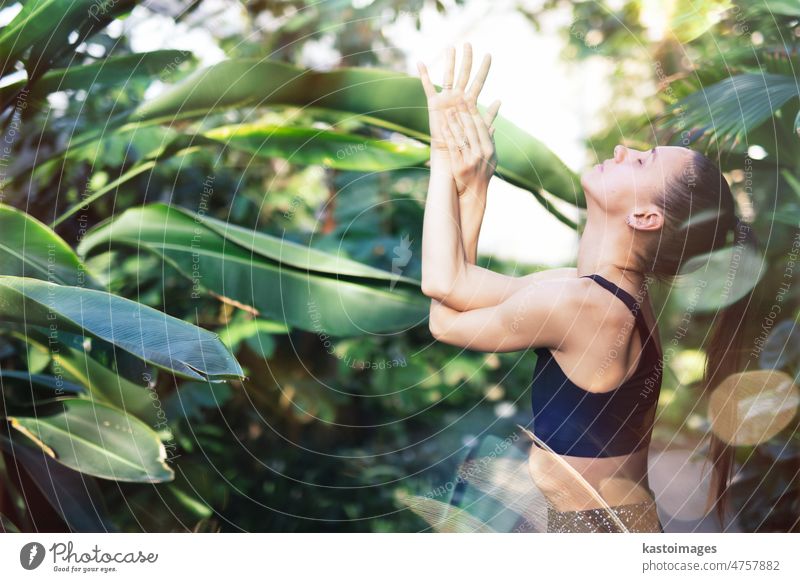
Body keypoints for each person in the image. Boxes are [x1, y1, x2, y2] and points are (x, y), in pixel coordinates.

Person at [417, 43, 758, 533]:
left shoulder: (584, 305)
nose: (623, 149)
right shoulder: (589, 293)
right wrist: (471, 185)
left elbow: (442, 303)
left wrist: (445, 163)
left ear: (645, 217)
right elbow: (454, 292)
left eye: (640, 163)